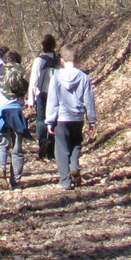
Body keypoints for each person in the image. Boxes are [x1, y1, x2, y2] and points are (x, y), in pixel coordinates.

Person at [45, 47, 96, 189]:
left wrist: (49, 120)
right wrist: (91, 119)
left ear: (61, 61)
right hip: (78, 117)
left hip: (61, 117)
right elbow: (89, 100)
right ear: (77, 60)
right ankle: (74, 165)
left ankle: (65, 181)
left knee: (61, 148)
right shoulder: (84, 77)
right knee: (76, 143)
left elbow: (52, 100)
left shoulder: (56, 77)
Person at [26, 35, 60, 163]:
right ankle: (52, 150)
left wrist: (31, 98)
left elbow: (33, 79)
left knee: (41, 119)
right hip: (56, 94)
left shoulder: (39, 60)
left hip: (42, 93)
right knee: (54, 120)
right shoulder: (59, 59)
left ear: (43, 46)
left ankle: (42, 142)